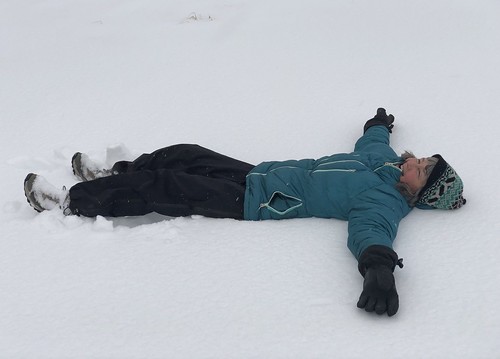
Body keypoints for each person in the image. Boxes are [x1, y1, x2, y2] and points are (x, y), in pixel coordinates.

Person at [23, 108, 466, 316]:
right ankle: (114, 174)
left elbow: (372, 231)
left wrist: (378, 267)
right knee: (185, 153)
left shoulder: (385, 201)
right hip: (259, 173)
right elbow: (371, 144)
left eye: (422, 170)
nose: (416, 162)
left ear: (419, 192)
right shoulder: (384, 163)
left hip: (257, 203)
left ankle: (70, 202)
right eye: (422, 159)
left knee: (168, 187)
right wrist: (378, 126)